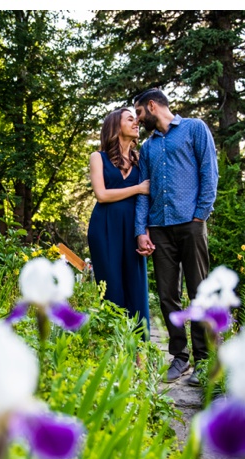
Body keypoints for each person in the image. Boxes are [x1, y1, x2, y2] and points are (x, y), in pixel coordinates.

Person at [133, 88, 219, 385]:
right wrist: (141, 230)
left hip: (191, 223)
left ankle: (205, 362)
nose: (138, 118)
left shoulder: (195, 128)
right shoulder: (147, 147)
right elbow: (144, 192)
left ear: (152, 106)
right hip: (159, 228)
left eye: (140, 112)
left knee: (199, 292)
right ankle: (179, 357)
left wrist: (201, 215)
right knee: (168, 294)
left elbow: (209, 172)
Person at [87, 107, 151, 341]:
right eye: (130, 119)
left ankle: (140, 353)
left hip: (132, 229)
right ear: (116, 126)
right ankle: (114, 347)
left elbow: (144, 201)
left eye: (136, 120)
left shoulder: (141, 159)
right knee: (111, 287)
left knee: (137, 287)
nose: (137, 123)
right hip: (104, 228)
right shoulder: (98, 158)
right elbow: (102, 195)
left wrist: (145, 233)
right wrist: (137, 188)